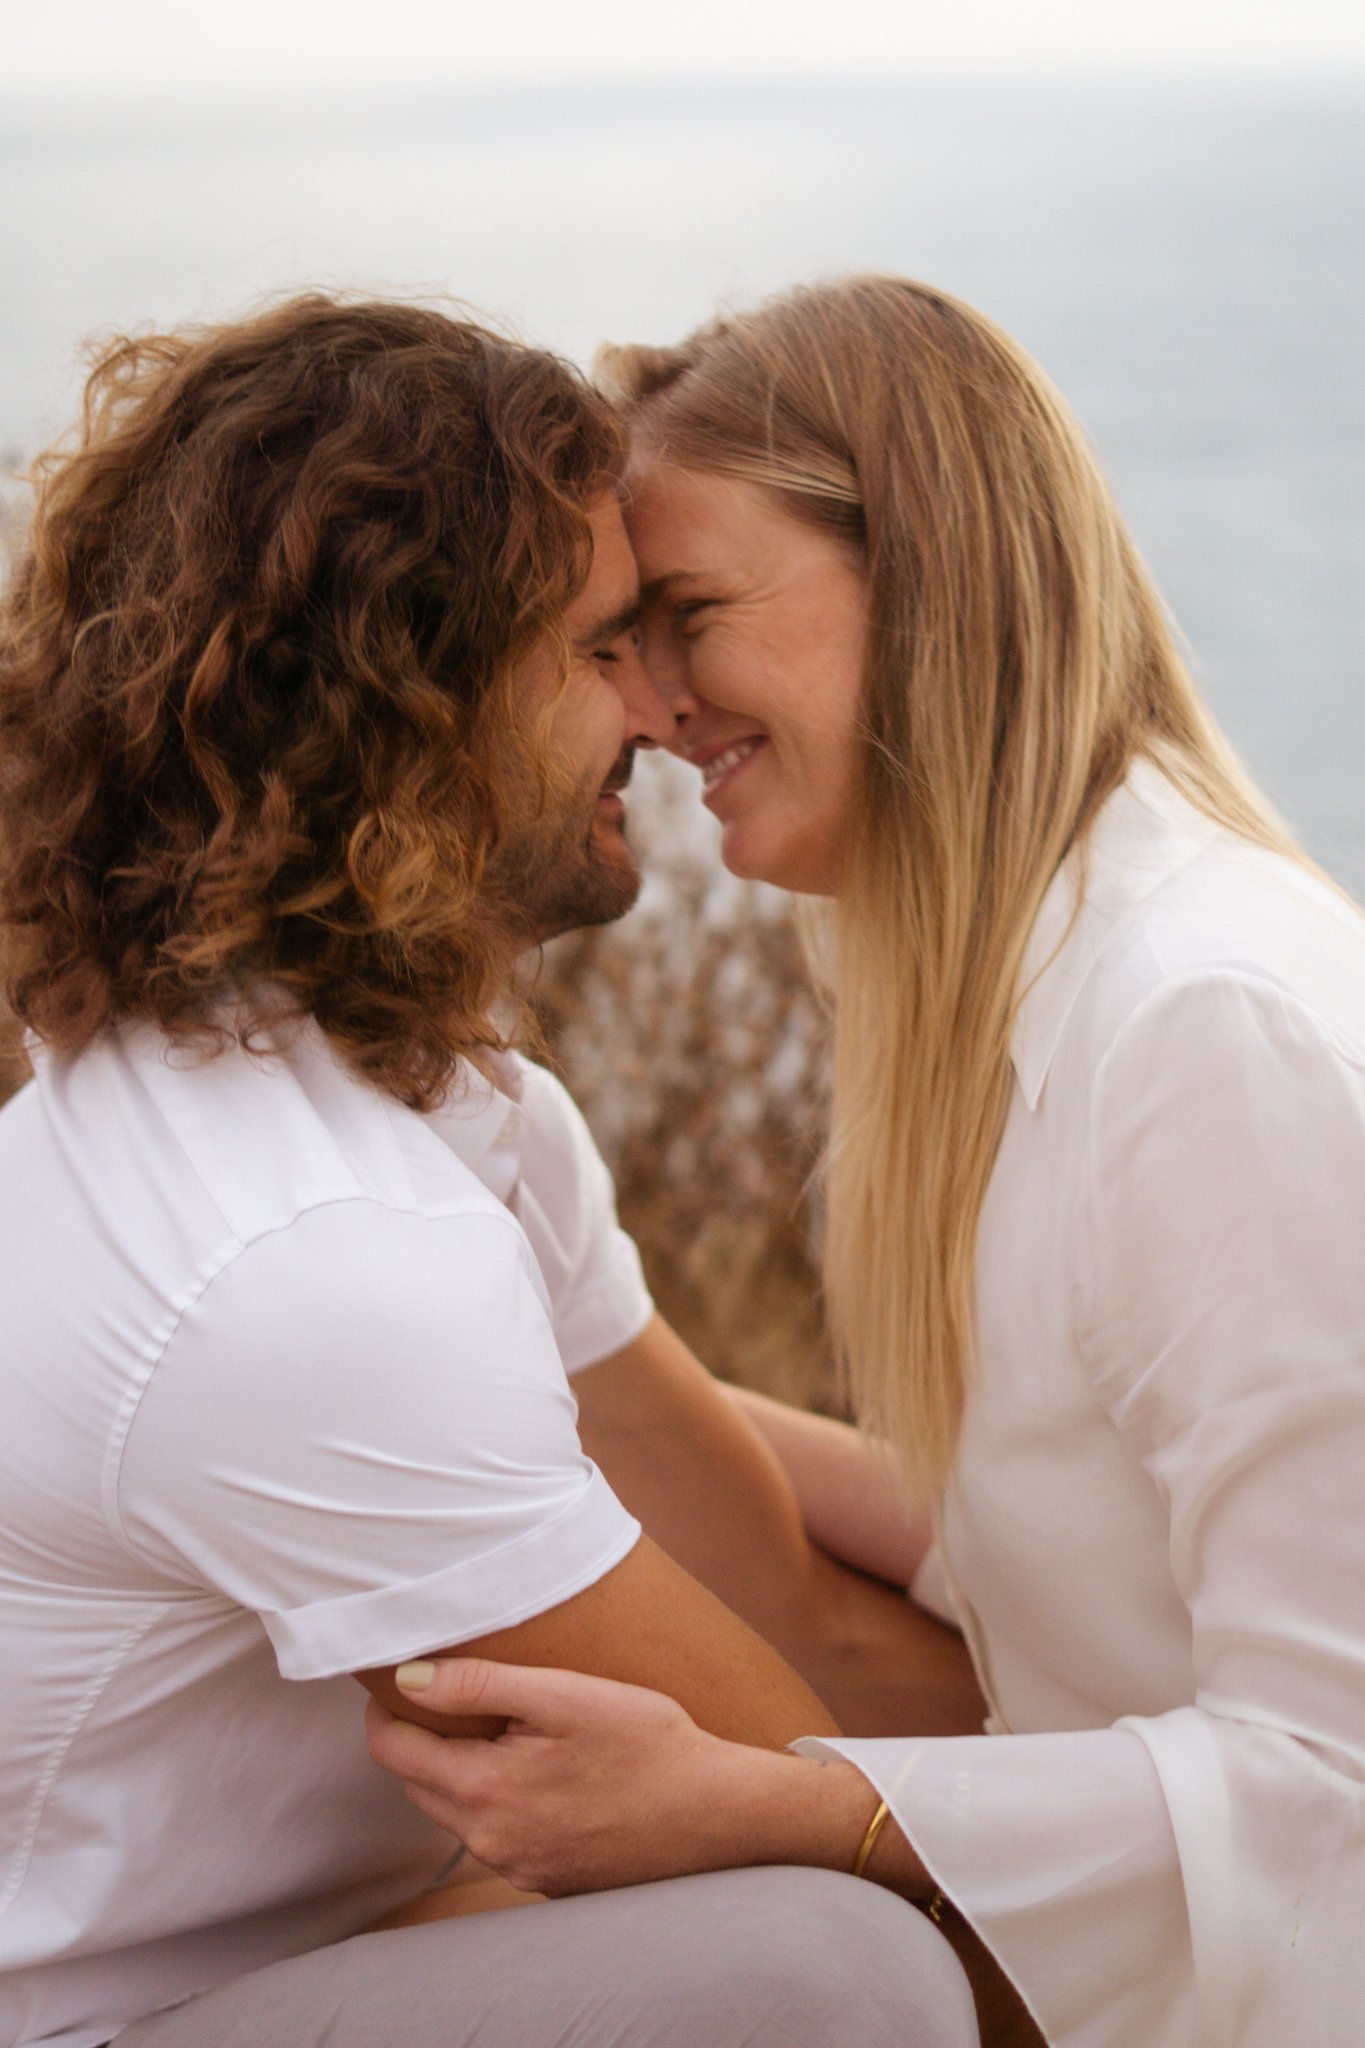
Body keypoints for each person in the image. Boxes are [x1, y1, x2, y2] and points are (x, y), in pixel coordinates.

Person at [365, 276, 1365, 2048]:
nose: (656, 714)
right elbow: (1083, 1528)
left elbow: (1333, 1777)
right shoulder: (1039, 1007)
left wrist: (778, 1805)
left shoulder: (1213, 1030)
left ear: (929, 572)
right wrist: (500, 1382)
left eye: (685, 616)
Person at [0, 295, 982, 2048]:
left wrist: (1163, 1691)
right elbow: (782, 1792)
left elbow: (758, 1587)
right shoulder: (306, 1259)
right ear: (412, 697)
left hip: (332, 1953)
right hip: (111, 2019)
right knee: (833, 1971)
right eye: (609, 646)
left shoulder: (454, 1115)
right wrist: (1215, 1875)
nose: (670, 713)